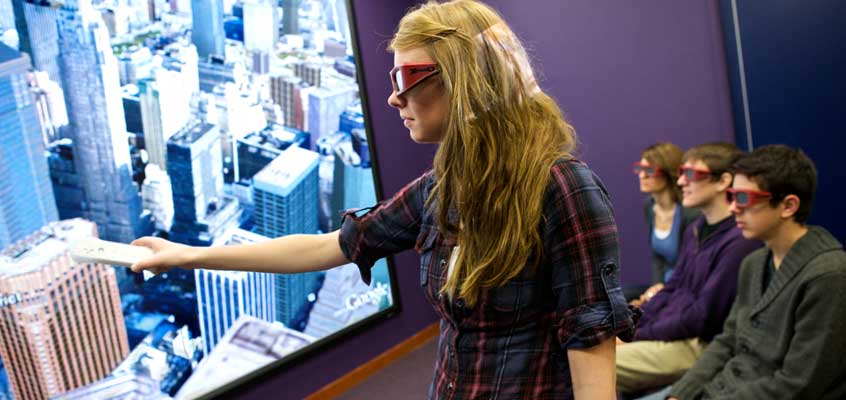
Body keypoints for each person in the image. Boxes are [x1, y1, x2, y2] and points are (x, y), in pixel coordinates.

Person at [130, 1, 637, 398]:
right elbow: (330, 246)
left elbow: (591, 352)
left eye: (406, 79)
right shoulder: (447, 187)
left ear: (464, 81)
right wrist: (188, 256)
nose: (394, 98)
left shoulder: (563, 188)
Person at [667, 145, 846, 400]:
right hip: (722, 388)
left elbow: (798, 384)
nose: (733, 209)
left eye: (743, 199)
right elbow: (728, 341)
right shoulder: (754, 262)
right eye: (731, 197)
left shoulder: (828, 275)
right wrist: (680, 394)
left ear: (788, 205)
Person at [615, 143, 762, 396]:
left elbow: (703, 317)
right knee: (590, 353)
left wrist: (638, 335)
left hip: (700, 344)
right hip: (674, 332)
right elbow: (673, 286)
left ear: (723, 181)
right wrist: (632, 327)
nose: (681, 181)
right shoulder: (697, 229)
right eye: (682, 173)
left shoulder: (739, 242)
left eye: (692, 174)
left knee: (592, 366)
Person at [630, 143, 700, 306]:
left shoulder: (690, 212)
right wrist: (656, 285)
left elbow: (691, 266)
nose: (641, 175)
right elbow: (658, 257)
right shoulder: (649, 206)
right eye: (640, 168)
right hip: (662, 286)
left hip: (685, 288)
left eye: (648, 171)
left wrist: (663, 289)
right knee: (620, 297)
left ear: (668, 173)